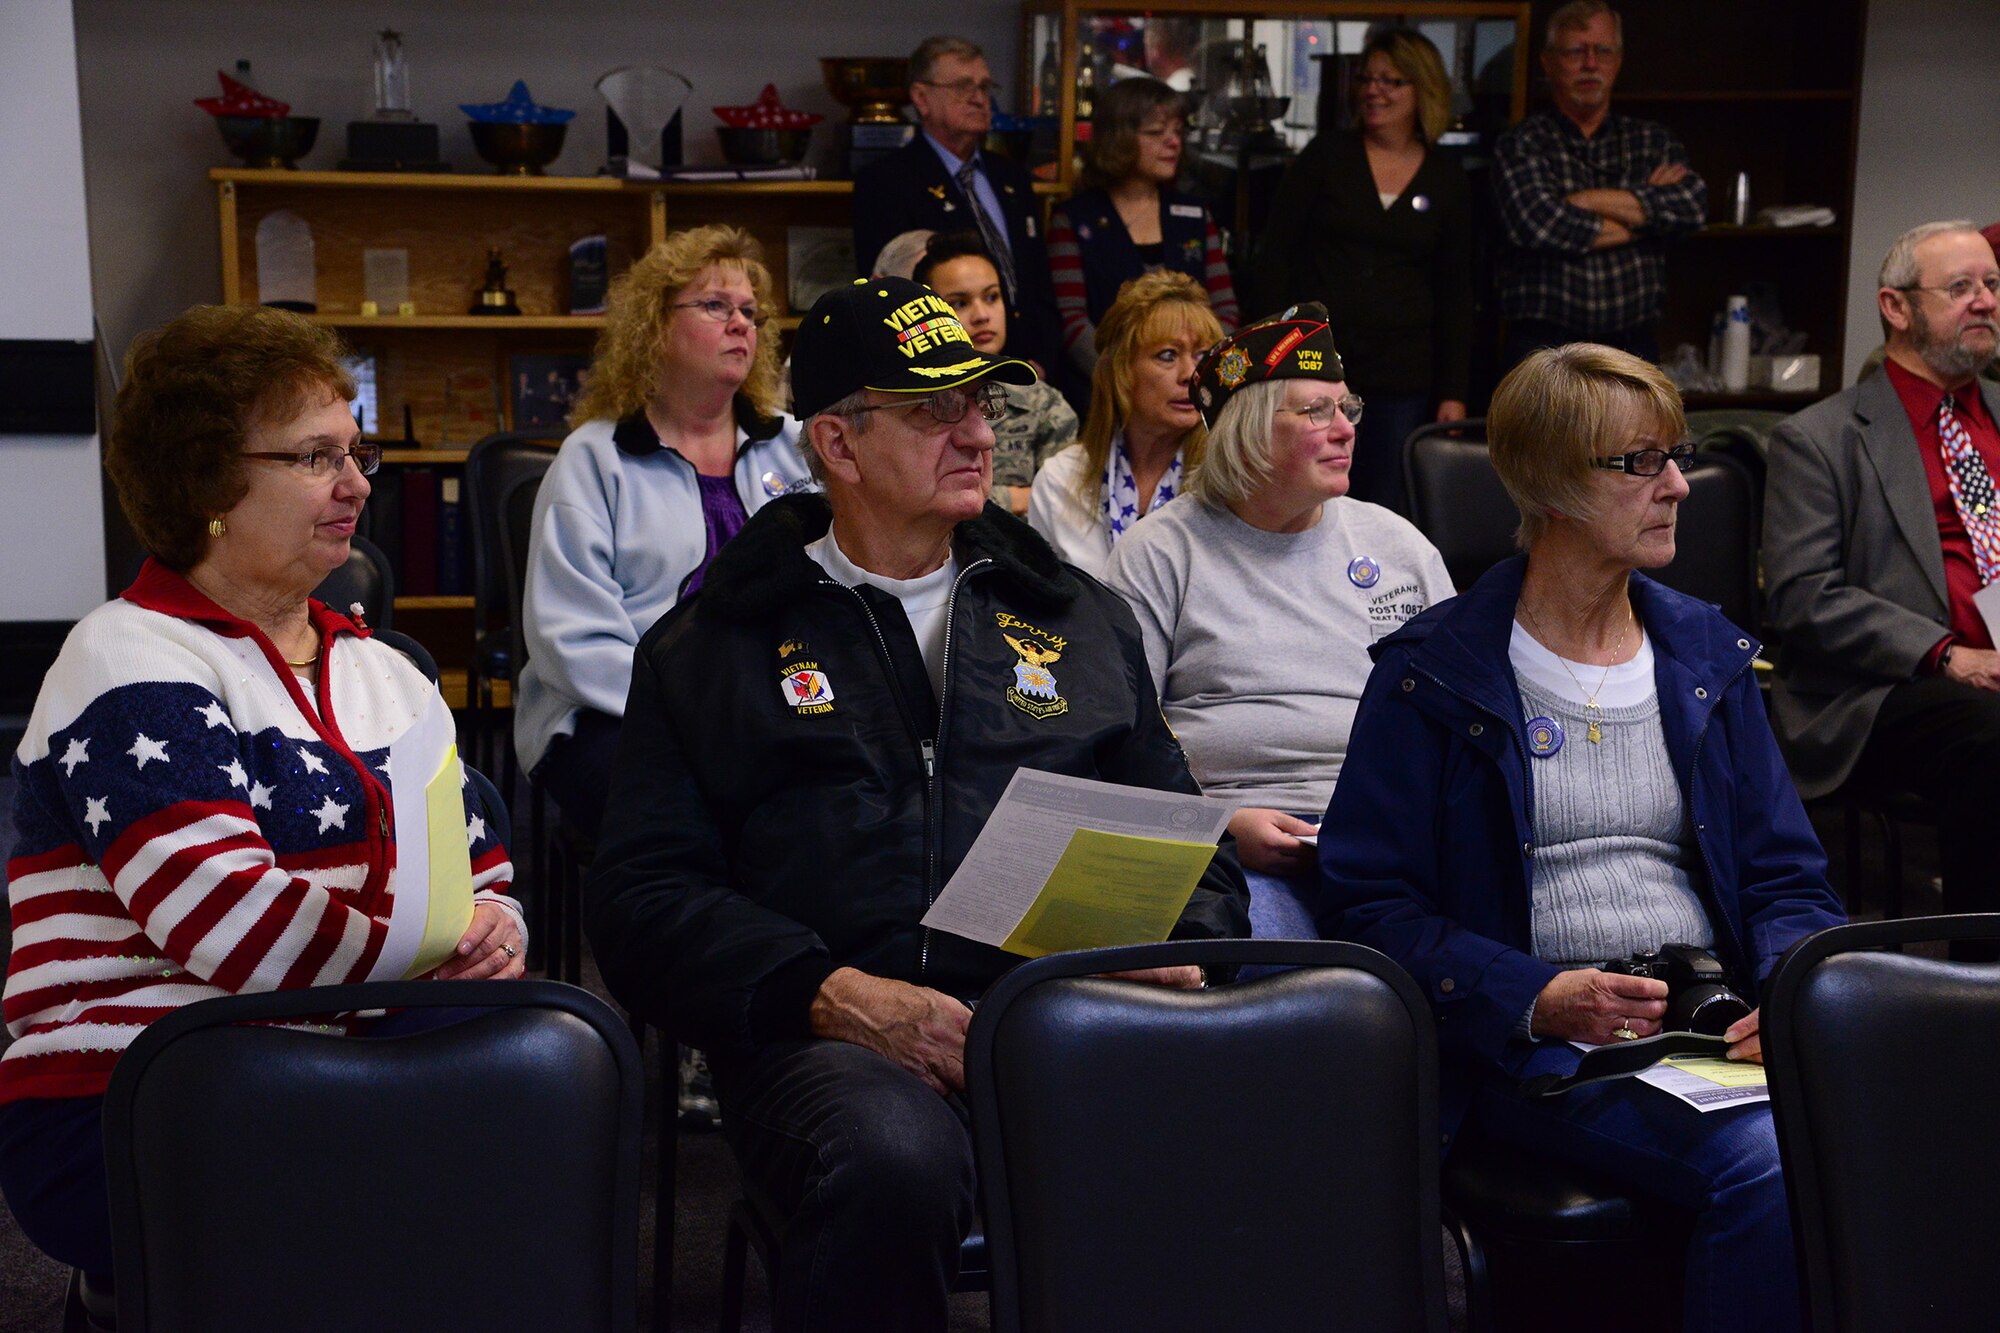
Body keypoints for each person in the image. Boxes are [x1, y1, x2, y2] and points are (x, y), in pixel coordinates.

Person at [584, 275, 1249, 1333]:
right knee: (892, 1156)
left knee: (1290, 1090)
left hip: (1062, 1018)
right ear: (838, 445)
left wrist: (1181, 946)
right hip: (831, 1039)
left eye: (980, 404)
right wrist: (827, 992)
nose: (978, 435)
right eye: (936, 410)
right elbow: (641, 900)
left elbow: (1192, 847)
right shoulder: (713, 645)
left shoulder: (1076, 619)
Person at [1320, 343, 1843, 1333]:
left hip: (1704, 1030)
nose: (1678, 485)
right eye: (1641, 462)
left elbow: (1787, 880)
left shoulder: (1704, 656)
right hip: (1539, 1054)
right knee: (1777, 1163)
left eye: (1676, 456)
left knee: (1910, 1111)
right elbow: (1371, 907)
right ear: (1551, 485)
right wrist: (1534, 994)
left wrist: (1785, 992)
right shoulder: (1432, 673)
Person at [0, 305, 524, 1282]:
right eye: (316, 457)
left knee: (548, 1061)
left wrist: (495, 929)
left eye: (356, 452)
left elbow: (480, 872)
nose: (357, 483)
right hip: (136, 1081)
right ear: (209, 481)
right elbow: (233, 926)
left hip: (351, 1044)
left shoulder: (390, 671)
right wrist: (427, 966)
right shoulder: (124, 658)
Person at [1106, 304, 1452, 941]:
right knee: (1266, 956)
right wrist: (1219, 827)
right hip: (1236, 853)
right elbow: (1115, 752)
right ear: (1247, 430)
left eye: (1347, 409)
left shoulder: (1400, 547)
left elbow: (1463, 723)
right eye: (1317, 412)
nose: (1345, 430)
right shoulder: (1160, 553)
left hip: (1400, 843)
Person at [515, 225, 808, 841]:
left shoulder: (796, 445)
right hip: (617, 711)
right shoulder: (596, 457)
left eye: (751, 313)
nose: (741, 324)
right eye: (716, 306)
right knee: (693, 822)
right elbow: (572, 642)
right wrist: (700, 708)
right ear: (654, 326)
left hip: (778, 701)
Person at [1764, 220, 2000, 941]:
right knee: (1987, 733)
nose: (1985, 301)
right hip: (1884, 687)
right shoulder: (1820, 438)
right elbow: (1803, 595)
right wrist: (1946, 653)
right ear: (1896, 307)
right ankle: (1981, 974)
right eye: (1960, 287)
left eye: (1992, 284)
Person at [1252, 28, 1472, 516]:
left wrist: (1454, 391)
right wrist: (1273, 354)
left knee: (1384, 507)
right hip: (1317, 368)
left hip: (1402, 376)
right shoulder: (1327, 156)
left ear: (1423, 90)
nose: (1374, 91)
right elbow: (1274, 258)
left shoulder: (1446, 177)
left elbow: (1457, 291)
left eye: (1391, 81)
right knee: (1307, 496)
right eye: (1368, 79)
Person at [1491, 1, 1707, 370]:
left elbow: (1691, 206)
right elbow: (1539, 224)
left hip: (1633, 346)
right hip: (1543, 348)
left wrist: (1586, 200)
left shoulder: (1652, 141)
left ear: (1618, 61)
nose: (1590, 64)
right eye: (1575, 51)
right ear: (1548, 63)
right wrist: (1646, 220)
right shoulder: (1522, 143)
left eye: (1603, 51)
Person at [852, 35, 1063, 377]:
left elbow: (1039, 282)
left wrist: (1043, 361)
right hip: (945, 372)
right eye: (964, 87)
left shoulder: (1012, 176)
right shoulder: (886, 183)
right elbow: (889, 301)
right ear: (921, 98)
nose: (980, 98)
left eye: (984, 87)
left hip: (1031, 370)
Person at [1028, 269, 1223, 579]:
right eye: (1168, 355)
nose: (1190, 374)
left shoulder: (1230, 480)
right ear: (1121, 371)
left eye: (1201, 355)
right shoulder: (1059, 482)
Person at [1046, 76, 1238, 379]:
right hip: (1103, 388)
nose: (1173, 142)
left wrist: (1200, 372)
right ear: (1117, 139)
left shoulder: (1195, 215)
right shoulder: (1074, 219)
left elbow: (1225, 310)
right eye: (1156, 132)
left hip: (1194, 383)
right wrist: (1123, 379)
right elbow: (1071, 321)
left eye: (1178, 131)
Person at [913, 230, 1078, 516]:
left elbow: (1064, 506)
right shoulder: (910, 404)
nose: (982, 315)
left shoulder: (1043, 404)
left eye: (991, 297)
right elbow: (914, 501)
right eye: (960, 303)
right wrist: (1013, 499)